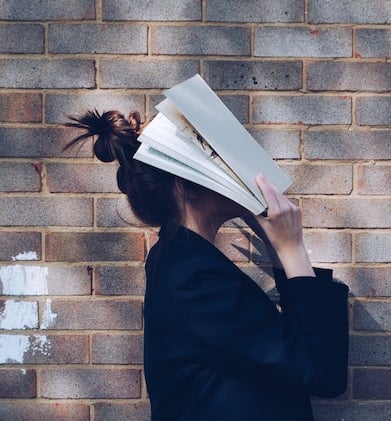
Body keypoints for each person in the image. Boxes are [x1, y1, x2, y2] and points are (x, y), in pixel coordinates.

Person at [64, 109, 349, 420]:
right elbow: (323, 371)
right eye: (216, 160)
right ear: (190, 186)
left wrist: (277, 247)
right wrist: (292, 248)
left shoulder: (183, 263)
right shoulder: (192, 278)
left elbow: (295, 356)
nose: (234, 170)